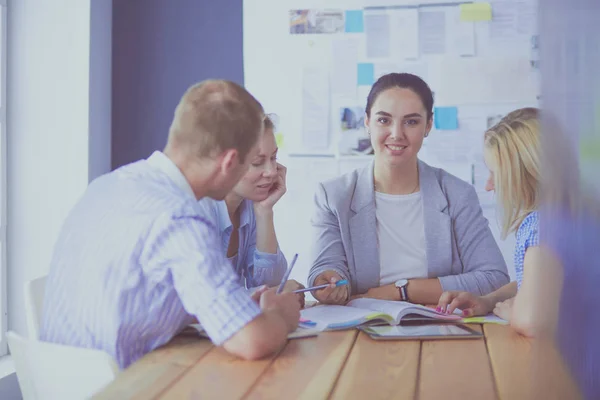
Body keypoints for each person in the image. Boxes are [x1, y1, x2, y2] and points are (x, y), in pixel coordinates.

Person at [40, 80, 301, 369]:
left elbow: (146, 299)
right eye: (252, 161)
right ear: (229, 162)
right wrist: (282, 317)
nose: (268, 172)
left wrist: (233, 308)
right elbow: (250, 341)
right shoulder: (181, 217)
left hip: (60, 383)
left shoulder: (109, 185)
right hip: (119, 387)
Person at [308, 73, 509, 306]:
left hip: (439, 324)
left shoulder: (456, 194)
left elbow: (494, 278)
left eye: (411, 122)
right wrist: (329, 282)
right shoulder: (333, 196)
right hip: (361, 327)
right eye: (384, 120)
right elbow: (326, 269)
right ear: (367, 122)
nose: (396, 134)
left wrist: (401, 291)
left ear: (428, 125)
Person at [436, 108, 542, 335]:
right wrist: (487, 301)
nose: (489, 185)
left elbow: (532, 321)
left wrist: (512, 313)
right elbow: (531, 285)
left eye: (496, 173)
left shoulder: (539, 227)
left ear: (527, 173)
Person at [197, 115, 305, 305]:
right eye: (257, 162)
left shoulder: (248, 205)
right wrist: (272, 294)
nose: (272, 171)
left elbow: (269, 284)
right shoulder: (198, 212)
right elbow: (207, 301)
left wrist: (265, 212)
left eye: (274, 158)